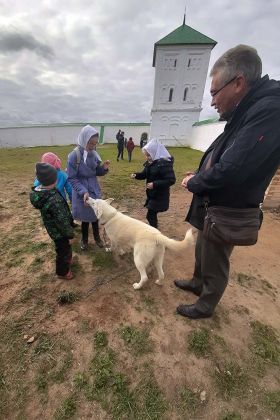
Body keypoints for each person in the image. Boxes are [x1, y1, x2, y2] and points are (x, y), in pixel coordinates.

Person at [174, 44, 280, 320]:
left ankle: (206, 304)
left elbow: (232, 168)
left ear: (238, 83)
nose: (211, 102)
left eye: (214, 93)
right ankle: (198, 283)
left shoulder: (269, 110)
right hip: (215, 203)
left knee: (216, 257)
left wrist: (197, 182)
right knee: (203, 247)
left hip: (229, 207)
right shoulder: (248, 109)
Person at [67, 125, 110, 250]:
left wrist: (104, 169)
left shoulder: (94, 154)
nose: (92, 146)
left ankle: (97, 237)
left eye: (95, 144)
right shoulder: (74, 156)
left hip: (94, 189)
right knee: (85, 217)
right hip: (81, 190)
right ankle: (84, 239)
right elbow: (72, 178)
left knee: (95, 214)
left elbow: (96, 171)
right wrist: (83, 191)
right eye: (90, 143)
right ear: (84, 140)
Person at [30, 163, 75, 279]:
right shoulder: (53, 200)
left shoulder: (42, 193)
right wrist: (70, 235)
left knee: (62, 249)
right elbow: (62, 221)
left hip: (53, 229)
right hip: (60, 232)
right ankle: (63, 272)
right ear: (54, 180)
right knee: (63, 251)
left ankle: (67, 261)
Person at [131, 138, 176, 228]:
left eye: (149, 155)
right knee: (151, 215)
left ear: (155, 153)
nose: (147, 158)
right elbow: (144, 174)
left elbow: (171, 180)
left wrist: (155, 184)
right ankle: (154, 231)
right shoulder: (151, 163)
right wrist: (136, 175)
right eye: (146, 155)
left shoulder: (164, 164)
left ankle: (154, 233)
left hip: (160, 195)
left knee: (150, 215)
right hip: (152, 194)